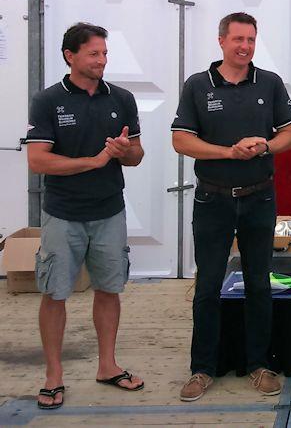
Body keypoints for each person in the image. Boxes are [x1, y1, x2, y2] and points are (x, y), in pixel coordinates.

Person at [171, 12, 291, 402]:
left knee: (259, 284)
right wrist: (229, 151)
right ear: (222, 40)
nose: (245, 46)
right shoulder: (197, 85)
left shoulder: (270, 83)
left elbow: (290, 136)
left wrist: (263, 145)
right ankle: (202, 369)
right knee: (208, 285)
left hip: (259, 197)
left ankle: (259, 365)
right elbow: (181, 140)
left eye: (251, 40)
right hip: (213, 199)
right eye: (238, 39)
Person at [27, 22, 145, 410]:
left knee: (109, 289)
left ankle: (108, 366)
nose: (101, 60)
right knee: (55, 292)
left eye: (105, 53)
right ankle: (53, 376)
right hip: (63, 214)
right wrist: (93, 161)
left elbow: (137, 156)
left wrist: (123, 150)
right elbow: (38, 159)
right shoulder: (48, 101)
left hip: (110, 210)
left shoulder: (122, 98)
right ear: (70, 55)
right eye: (94, 53)